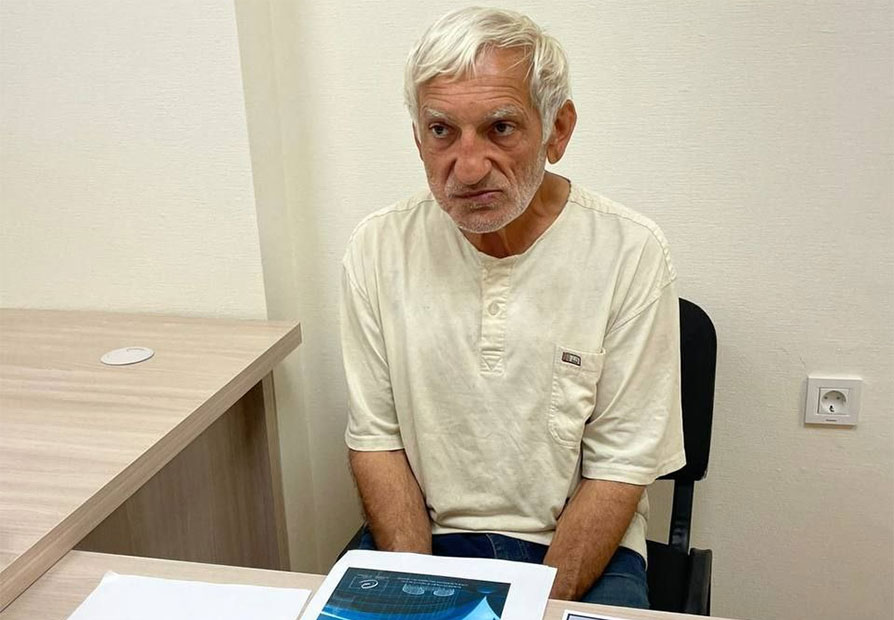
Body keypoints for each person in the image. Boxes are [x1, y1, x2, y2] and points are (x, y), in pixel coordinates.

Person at [339, 7, 685, 610]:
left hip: (581, 550)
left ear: (557, 129)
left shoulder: (630, 252)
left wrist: (531, 608)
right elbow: (378, 442)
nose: (469, 168)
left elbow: (620, 467)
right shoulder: (377, 247)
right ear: (418, 138)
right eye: (442, 131)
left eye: (501, 128)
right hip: (426, 541)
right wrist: (423, 598)